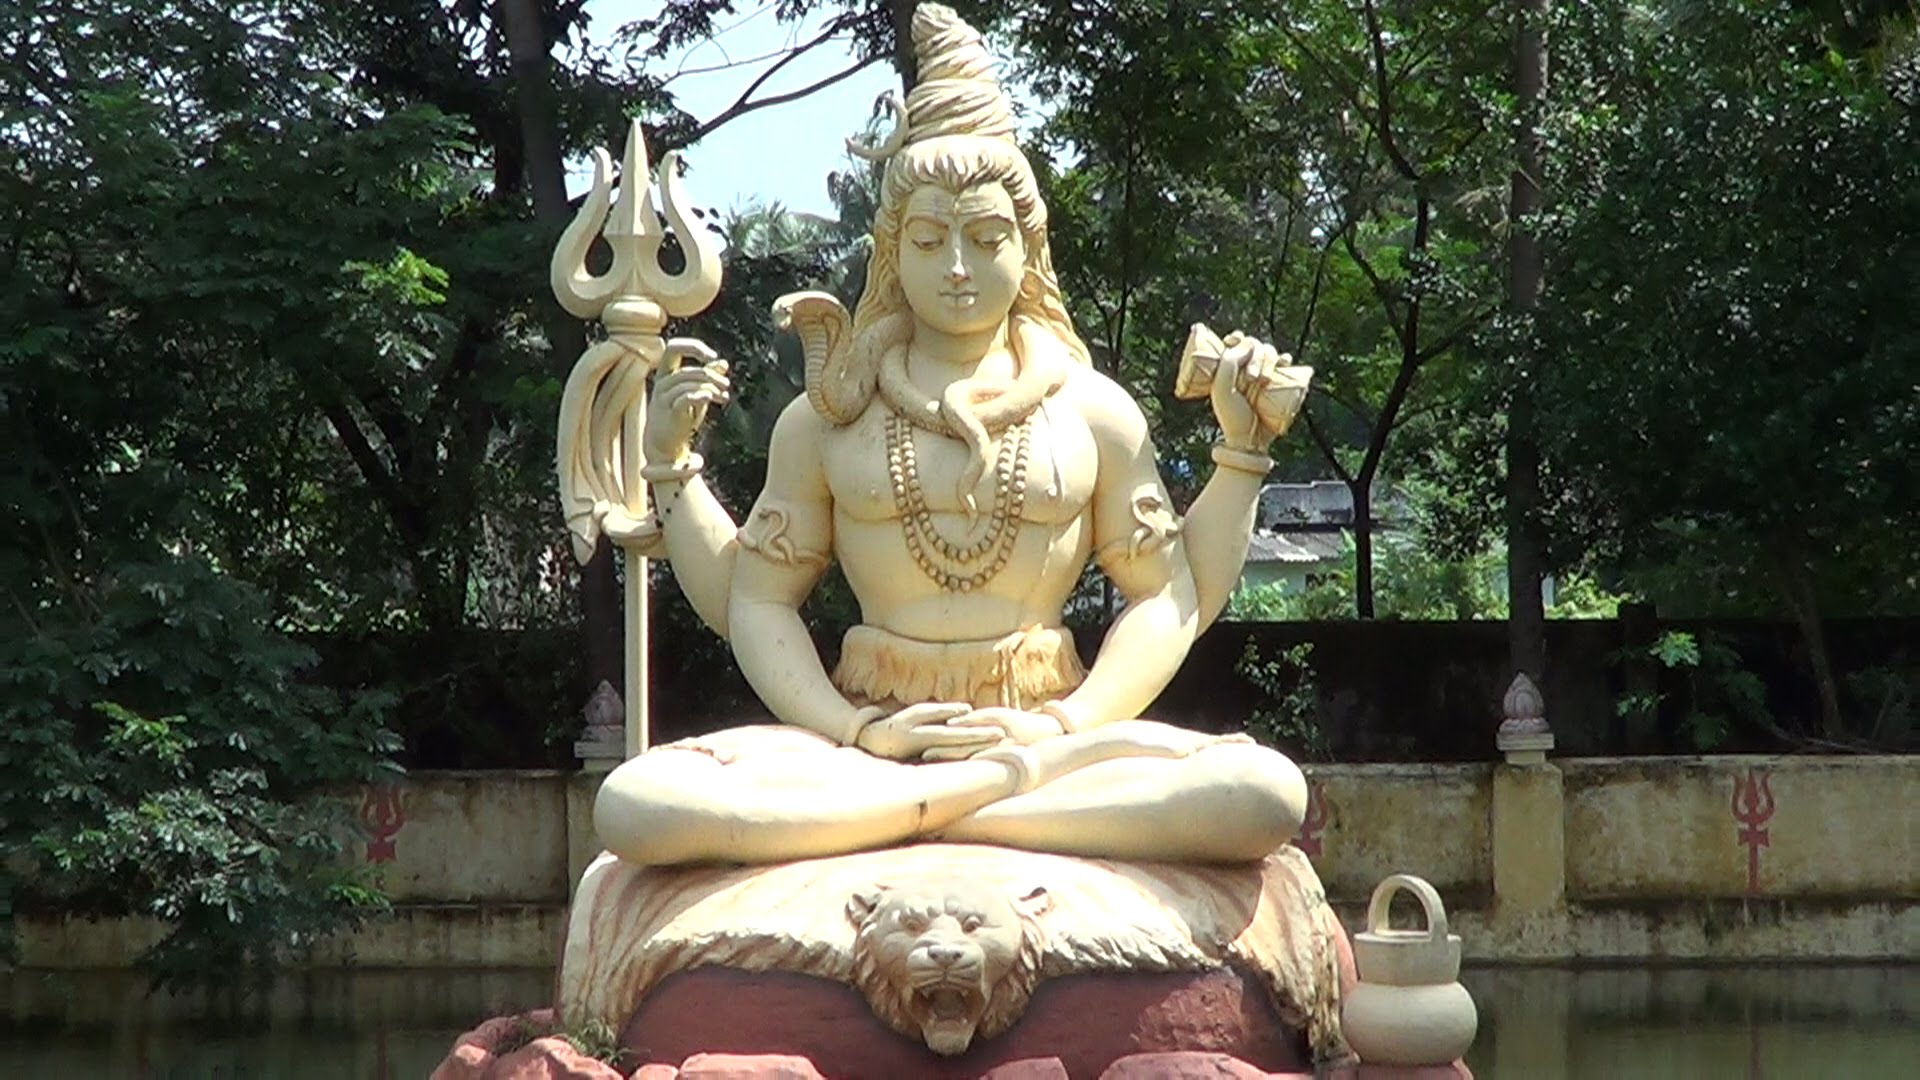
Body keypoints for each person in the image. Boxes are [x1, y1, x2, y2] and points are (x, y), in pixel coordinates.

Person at [593, 4, 1308, 867]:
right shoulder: (829, 417)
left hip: (1050, 746)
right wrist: (856, 728)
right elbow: (754, 598)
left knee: (1263, 794)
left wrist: (1060, 727)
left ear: (1029, 245)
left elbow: (1170, 597)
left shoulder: (1094, 410)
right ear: (893, 251)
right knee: (637, 805)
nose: (959, 268)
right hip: (861, 748)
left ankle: (948, 812)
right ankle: (948, 806)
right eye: (930, 241)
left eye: (986, 238)